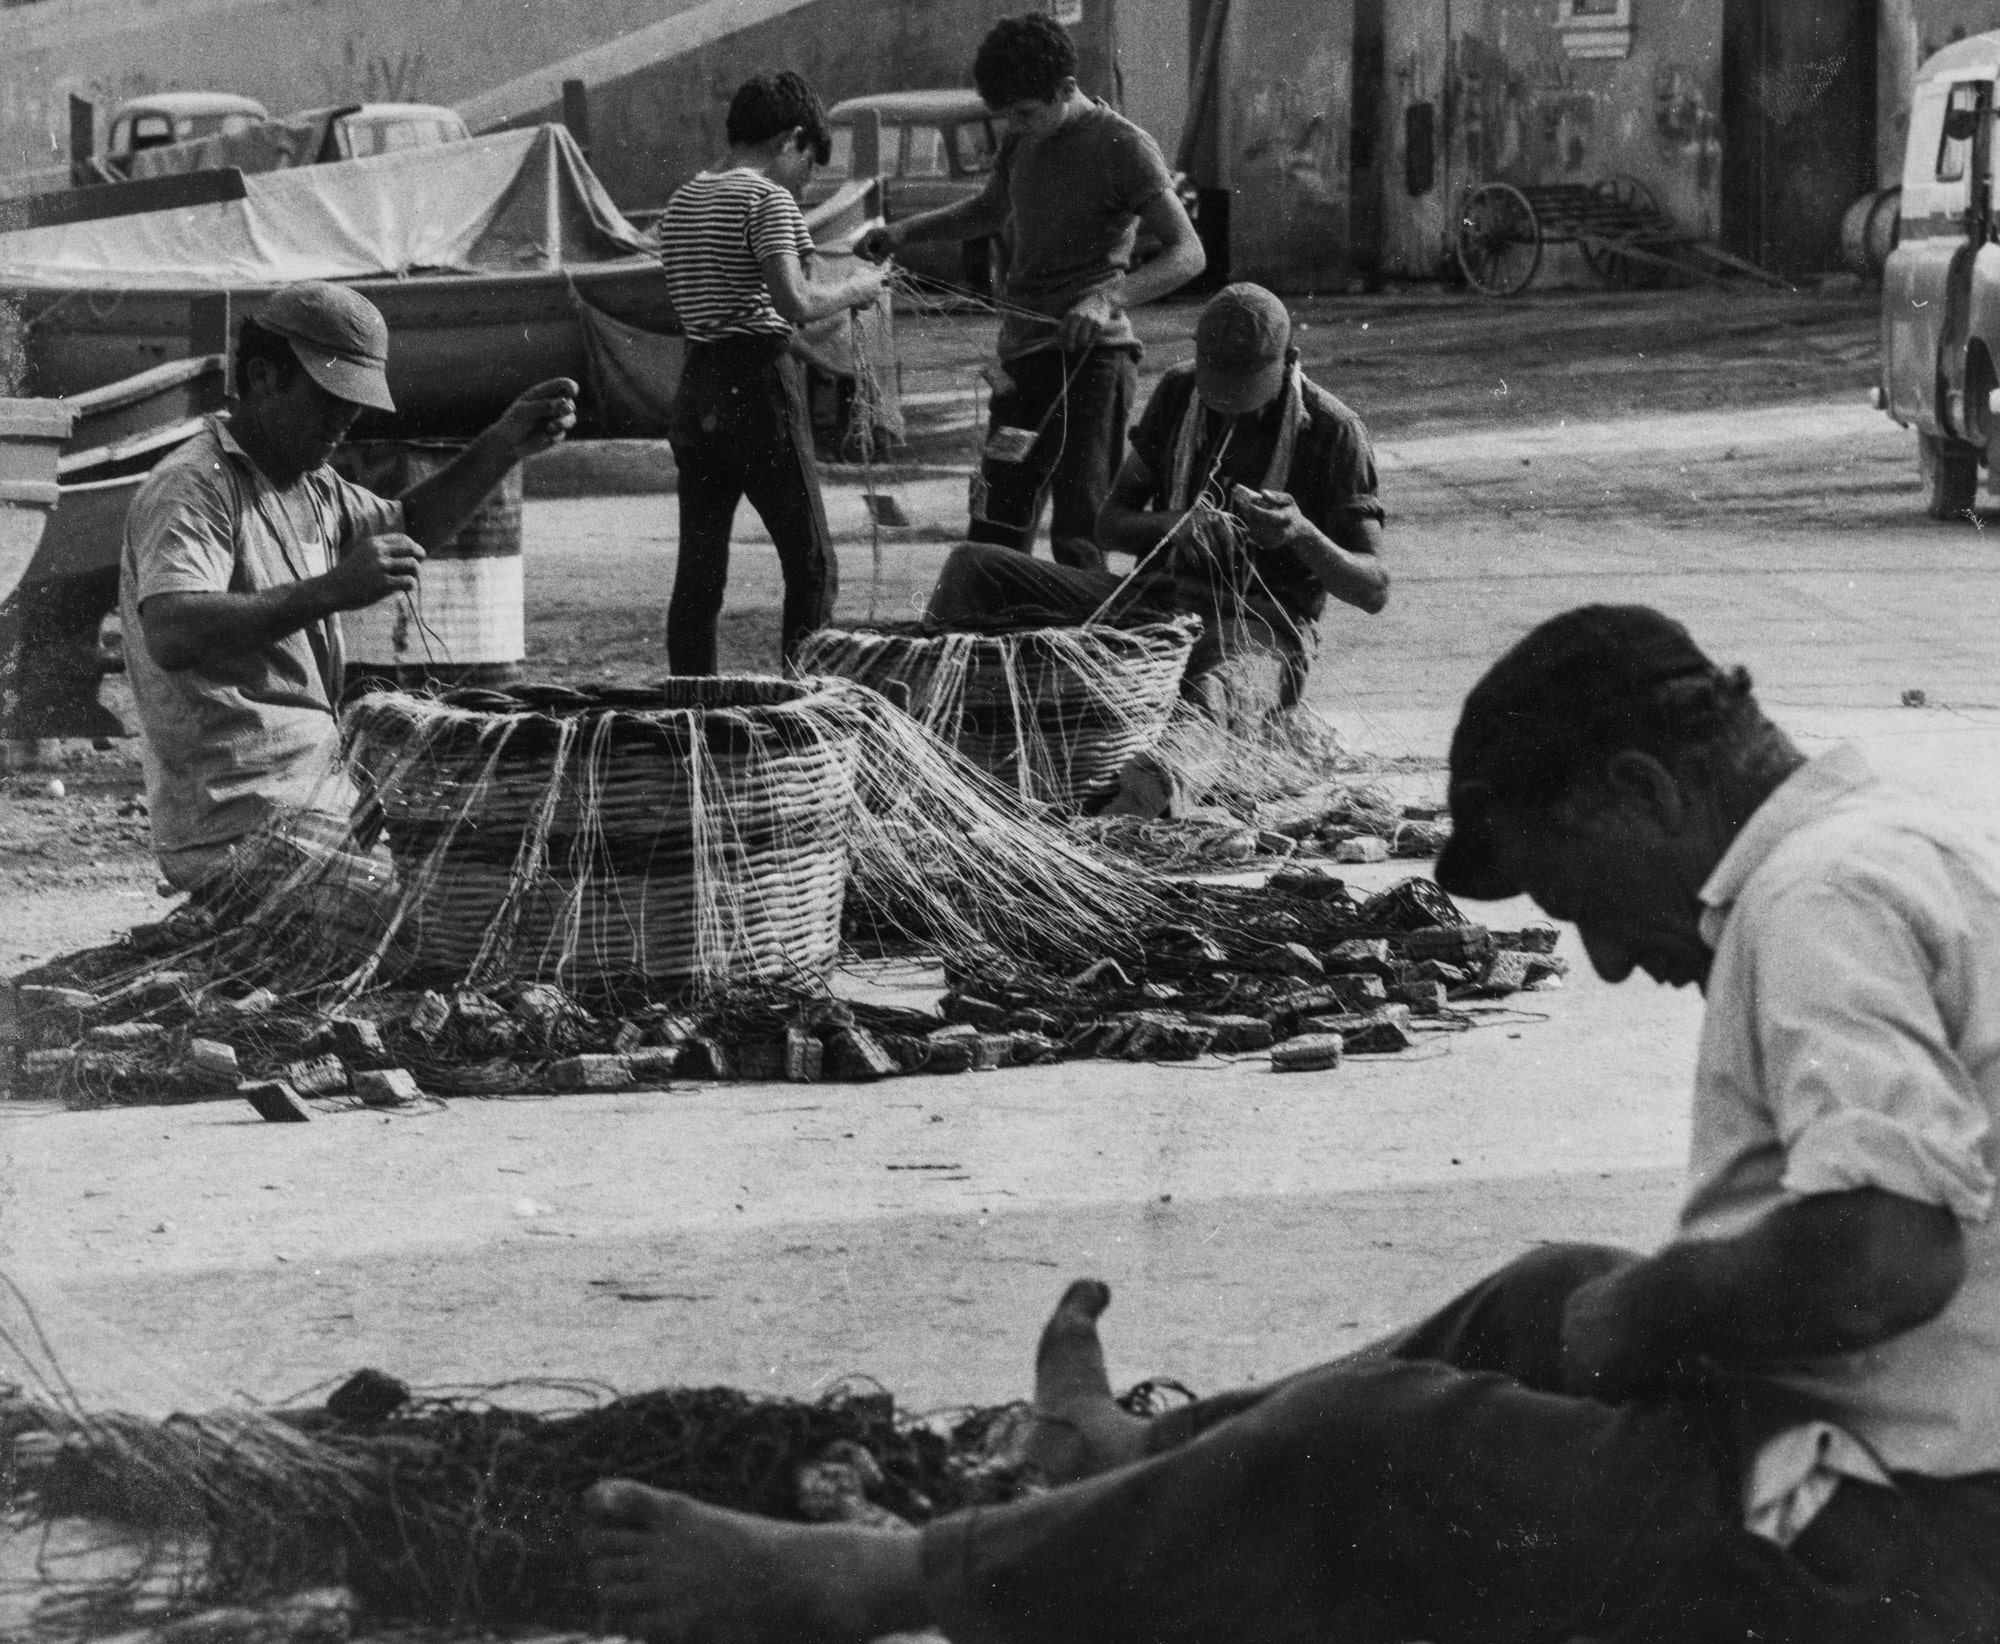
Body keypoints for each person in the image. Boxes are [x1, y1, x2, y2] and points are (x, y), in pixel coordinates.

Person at [581, 603, 2000, 1643]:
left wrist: (1654, 1313)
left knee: (1372, 1447)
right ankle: (1144, 1463)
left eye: (1580, 903)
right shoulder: (1890, 850)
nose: (1616, 962)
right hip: (1915, 1470)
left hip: (1897, 1549)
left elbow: (1885, 1251)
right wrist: (1621, 1309)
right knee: (1544, 1296)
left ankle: (887, 1586)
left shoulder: (1815, 900)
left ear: (1640, 790)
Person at [120, 280, 577, 895]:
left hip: (317, 797)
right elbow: (173, 631)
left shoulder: (311, 485)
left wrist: (501, 446)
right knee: (432, 911)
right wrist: (331, 590)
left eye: (354, 402)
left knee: (498, 867)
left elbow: (409, 527)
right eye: (329, 398)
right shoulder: (194, 486)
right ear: (263, 378)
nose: (347, 419)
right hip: (233, 817)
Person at [926, 282, 1387, 708]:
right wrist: (1174, 525)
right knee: (973, 567)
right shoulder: (1180, 390)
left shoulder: (1334, 430)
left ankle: (1172, 761)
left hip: (1257, 625)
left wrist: (1300, 533)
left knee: (1212, 695)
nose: (1230, 410)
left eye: (1247, 391)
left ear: (1290, 359)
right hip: (1154, 600)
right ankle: (917, 714)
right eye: (1219, 385)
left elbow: (1374, 590)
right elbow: (1108, 527)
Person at [858, 13, 1205, 572]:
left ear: (1066, 89)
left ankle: (1083, 629)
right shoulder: (1021, 138)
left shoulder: (1124, 146)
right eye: (1006, 116)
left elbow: (1189, 253)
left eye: (1024, 113)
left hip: (1092, 362)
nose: (1014, 126)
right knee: (997, 522)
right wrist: (903, 233)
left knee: (1080, 531)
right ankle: (996, 627)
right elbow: (989, 210)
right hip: (1022, 360)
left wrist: (1107, 299)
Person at [656, 70, 886, 674]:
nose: (804, 185)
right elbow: (796, 302)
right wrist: (858, 288)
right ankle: (802, 705)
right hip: (758, 389)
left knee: (700, 572)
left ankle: (691, 706)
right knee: (811, 561)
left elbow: (728, 308)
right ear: (792, 140)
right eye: (807, 166)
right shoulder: (767, 199)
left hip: (698, 386)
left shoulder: (683, 200)